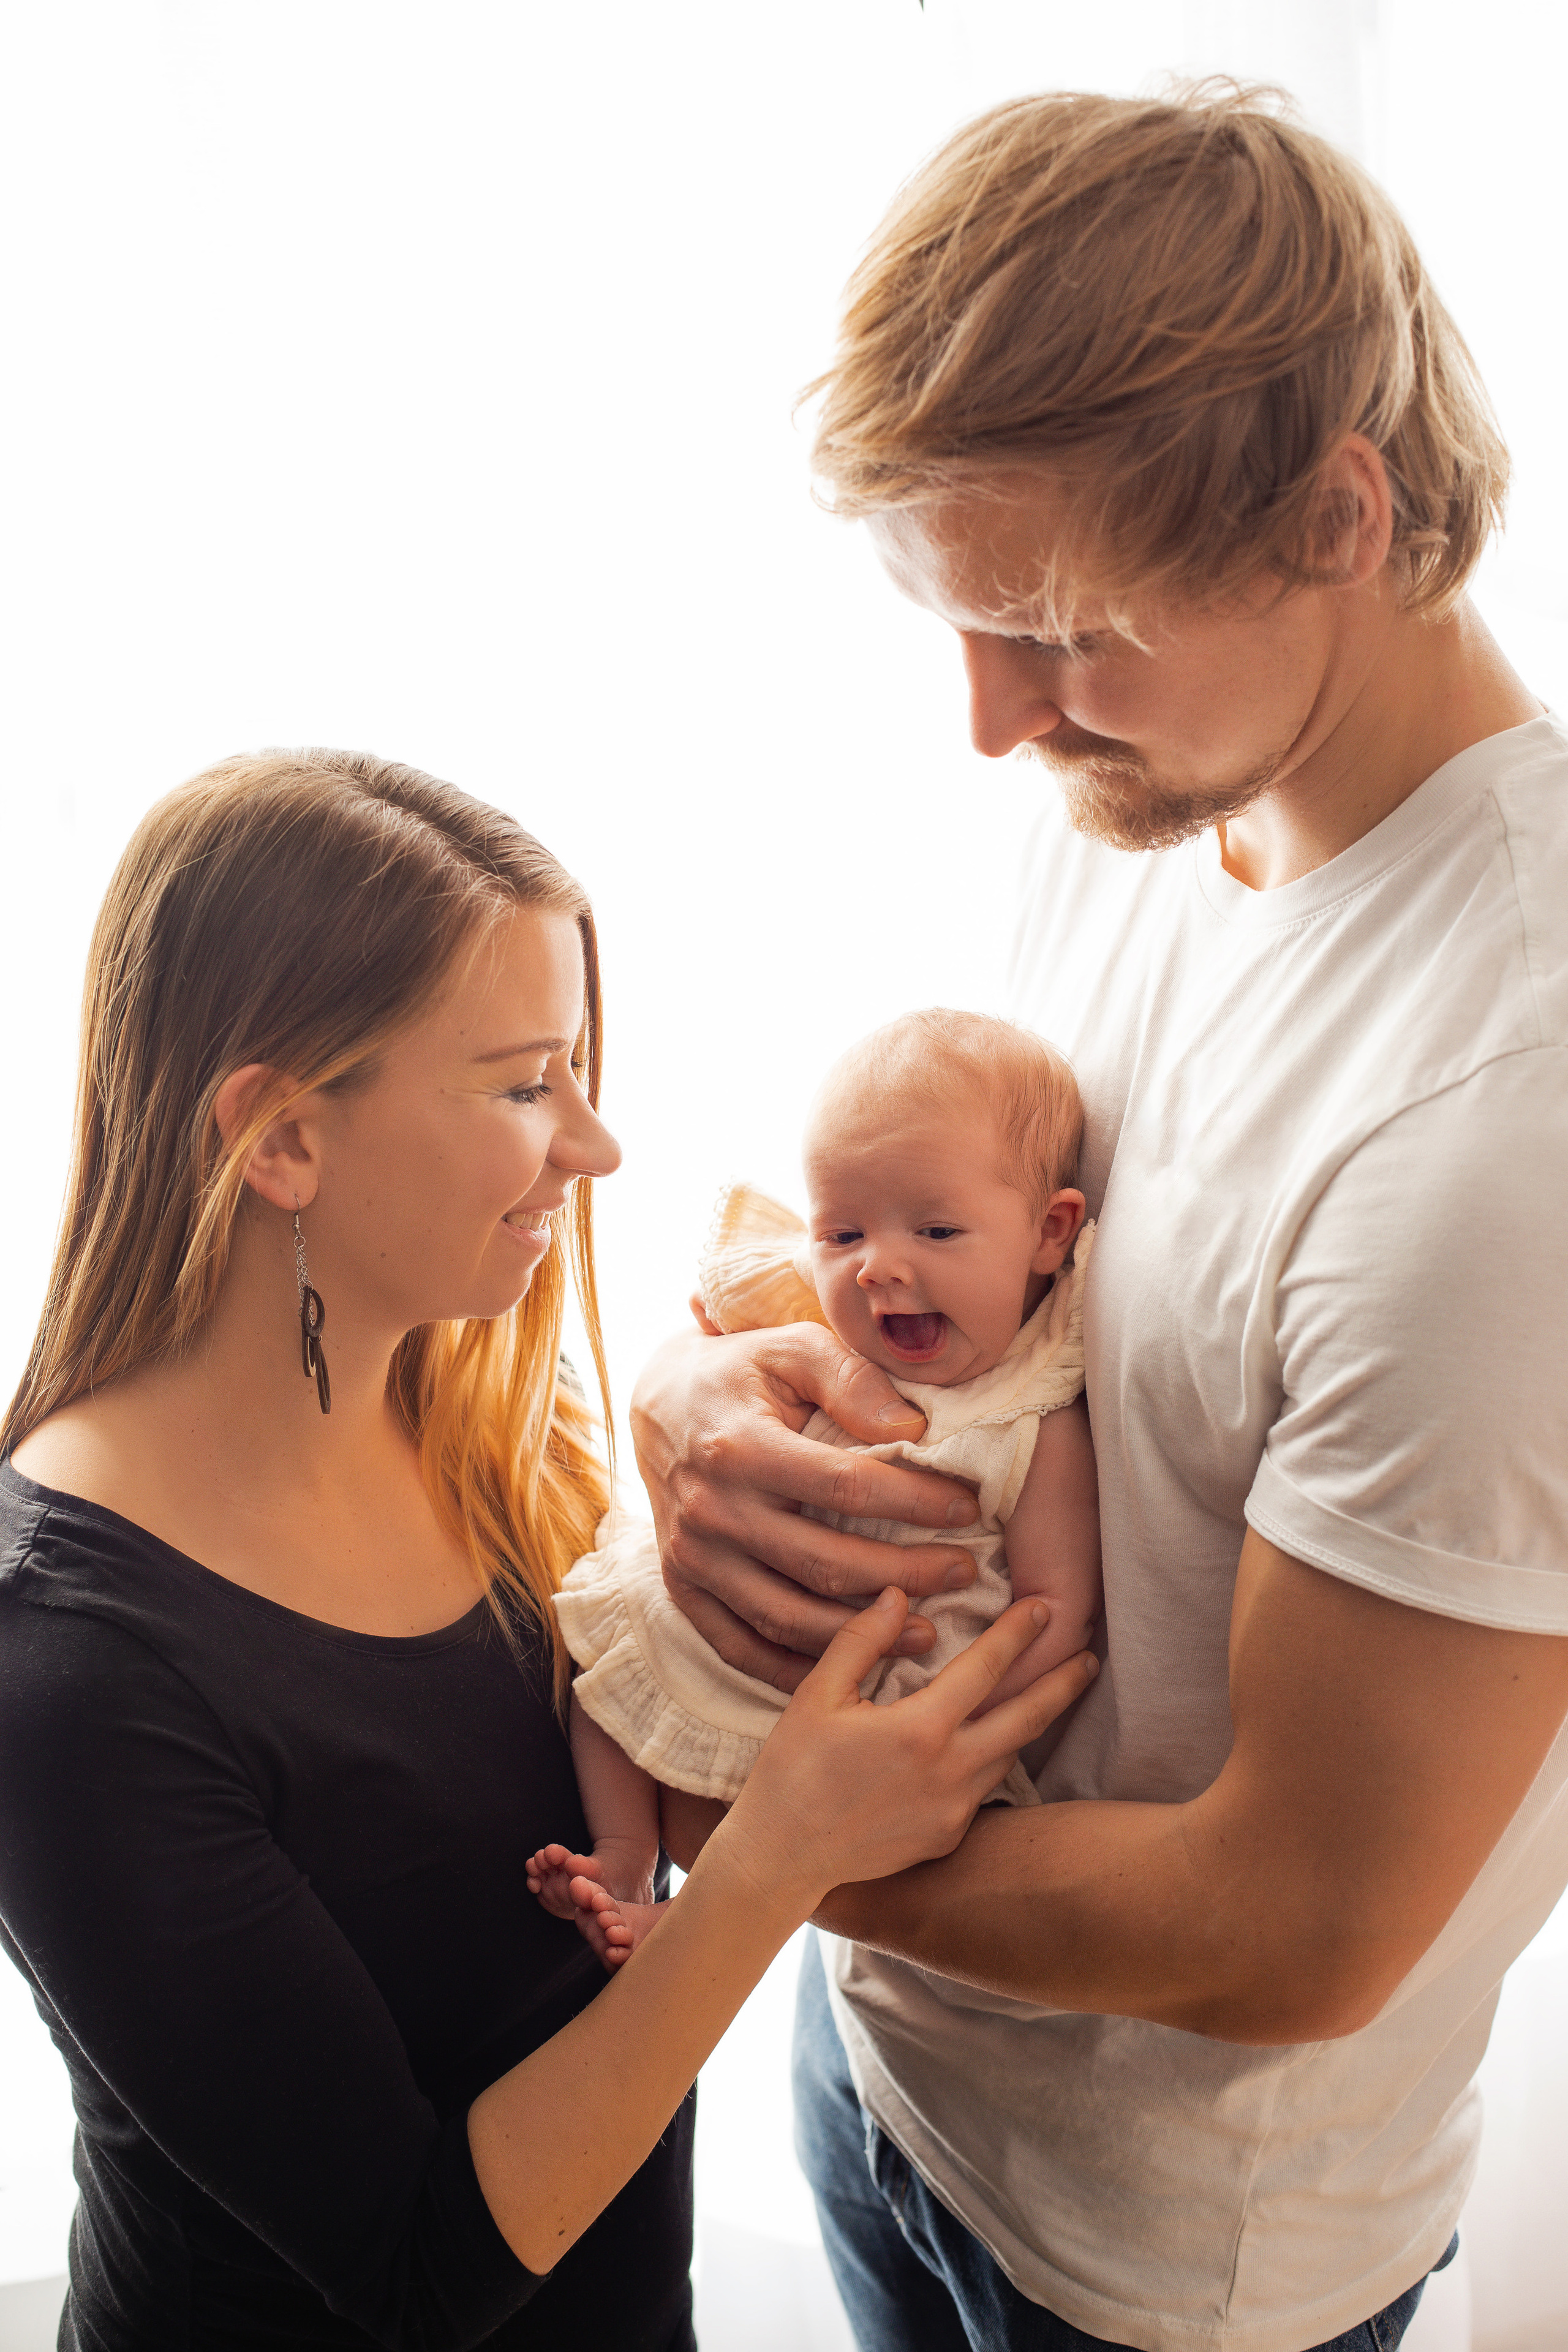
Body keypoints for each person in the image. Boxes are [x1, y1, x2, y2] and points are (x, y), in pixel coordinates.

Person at [628, 86, 1568, 2352]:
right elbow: (934, 1224)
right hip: (893, 2064)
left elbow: (1296, 1923)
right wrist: (704, 1391)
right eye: (963, 626)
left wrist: (761, 1865)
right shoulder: (1147, 785)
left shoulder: (1506, 1107)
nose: (985, 724)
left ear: (1342, 515)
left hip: (1167, 2255)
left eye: (1053, 630)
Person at [0, 749, 1099, 2351]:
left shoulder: (479, 1423)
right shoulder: (68, 1671)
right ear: (283, 1141)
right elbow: (408, 2274)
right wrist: (777, 1861)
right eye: (527, 1085)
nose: (596, 1149)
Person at [529, 1009, 1102, 1964]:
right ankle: (626, 1859)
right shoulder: (822, 1322)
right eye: (842, 1232)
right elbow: (717, 1360)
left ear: (1050, 1232)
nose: (879, 1265)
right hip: (752, 1616)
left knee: (808, 1832)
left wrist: (965, 1727)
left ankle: (692, 1920)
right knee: (601, 1675)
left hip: (886, 1698)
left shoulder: (1031, 1416)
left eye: (936, 1229)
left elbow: (1056, 1607)